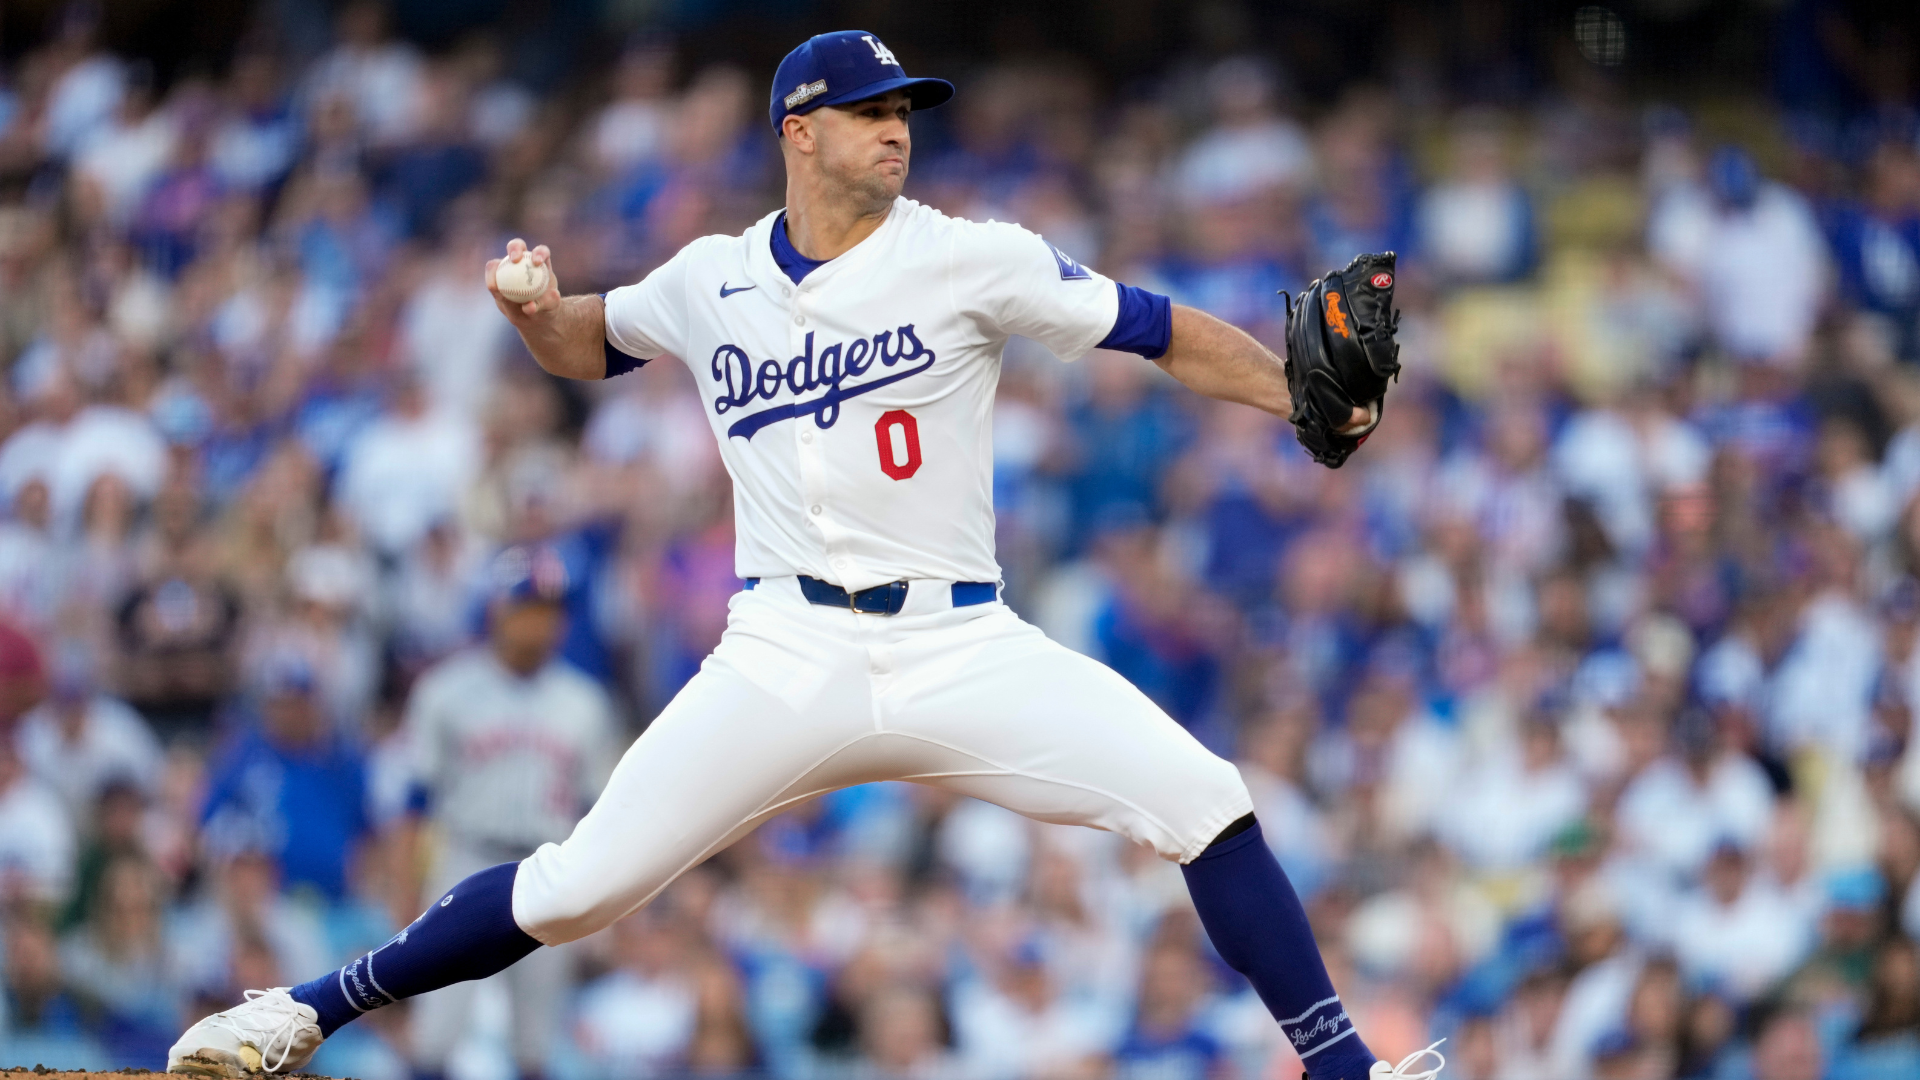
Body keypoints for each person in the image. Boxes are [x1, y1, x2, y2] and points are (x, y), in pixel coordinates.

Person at [166, 31, 1442, 1080]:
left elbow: (1154, 329)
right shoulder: (708, 278)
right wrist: (536, 314)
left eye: (907, 109)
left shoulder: (969, 253)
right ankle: (299, 1012)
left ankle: (1343, 1072)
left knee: (1204, 796)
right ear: (800, 131)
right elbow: (586, 344)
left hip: (960, 640)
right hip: (786, 646)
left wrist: (1293, 396)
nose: (897, 127)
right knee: (574, 890)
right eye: (870, 109)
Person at [396, 544, 621, 1080]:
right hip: (466, 858)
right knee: (435, 1030)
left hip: (547, 866)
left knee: (535, 1044)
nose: (537, 623)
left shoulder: (586, 703)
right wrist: (404, 889)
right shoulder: (445, 690)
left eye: (548, 611)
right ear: (496, 609)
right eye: (526, 608)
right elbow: (413, 806)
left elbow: (601, 813)